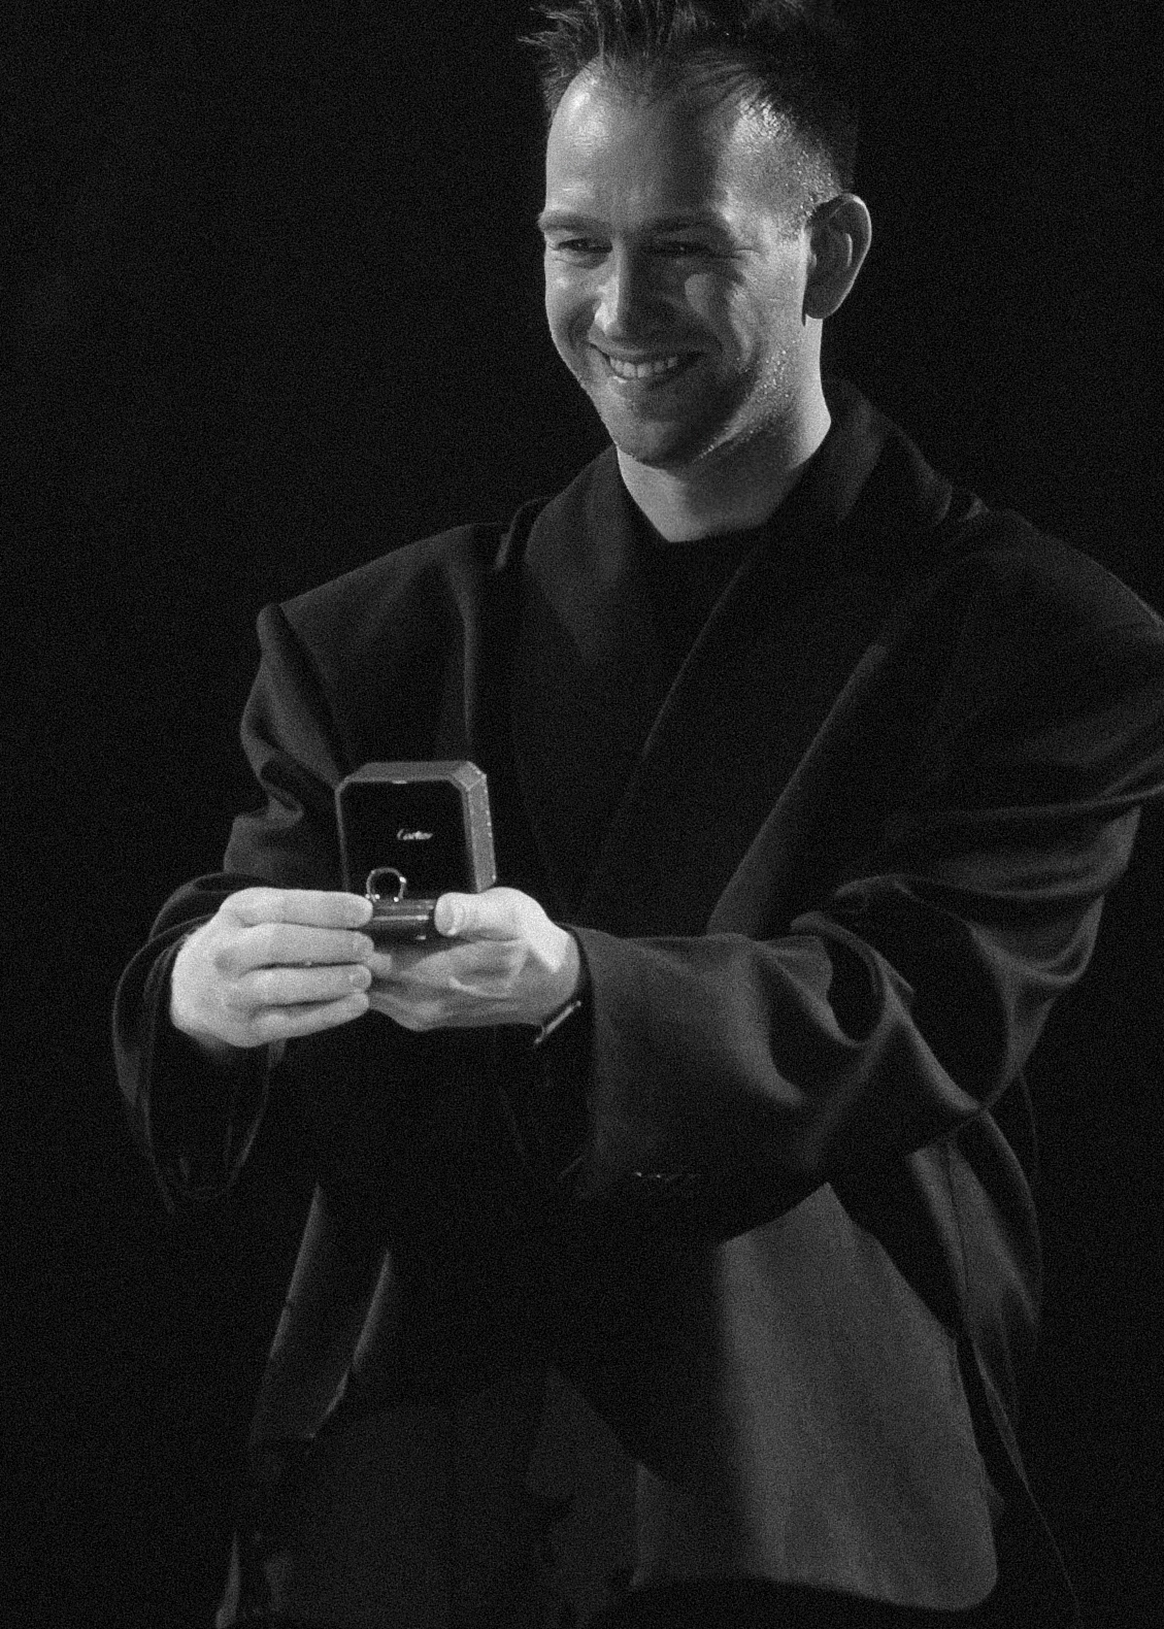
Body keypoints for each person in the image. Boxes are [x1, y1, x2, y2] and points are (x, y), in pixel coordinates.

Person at [114, 2, 1164, 1625]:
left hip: (810, 1478)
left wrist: (580, 995)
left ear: (830, 253)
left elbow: (915, 1005)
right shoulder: (370, 644)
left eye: (682, 250)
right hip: (423, 1477)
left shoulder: (1043, 645)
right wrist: (205, 992)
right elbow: (260, 988)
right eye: (575, 244)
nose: (617, 309)